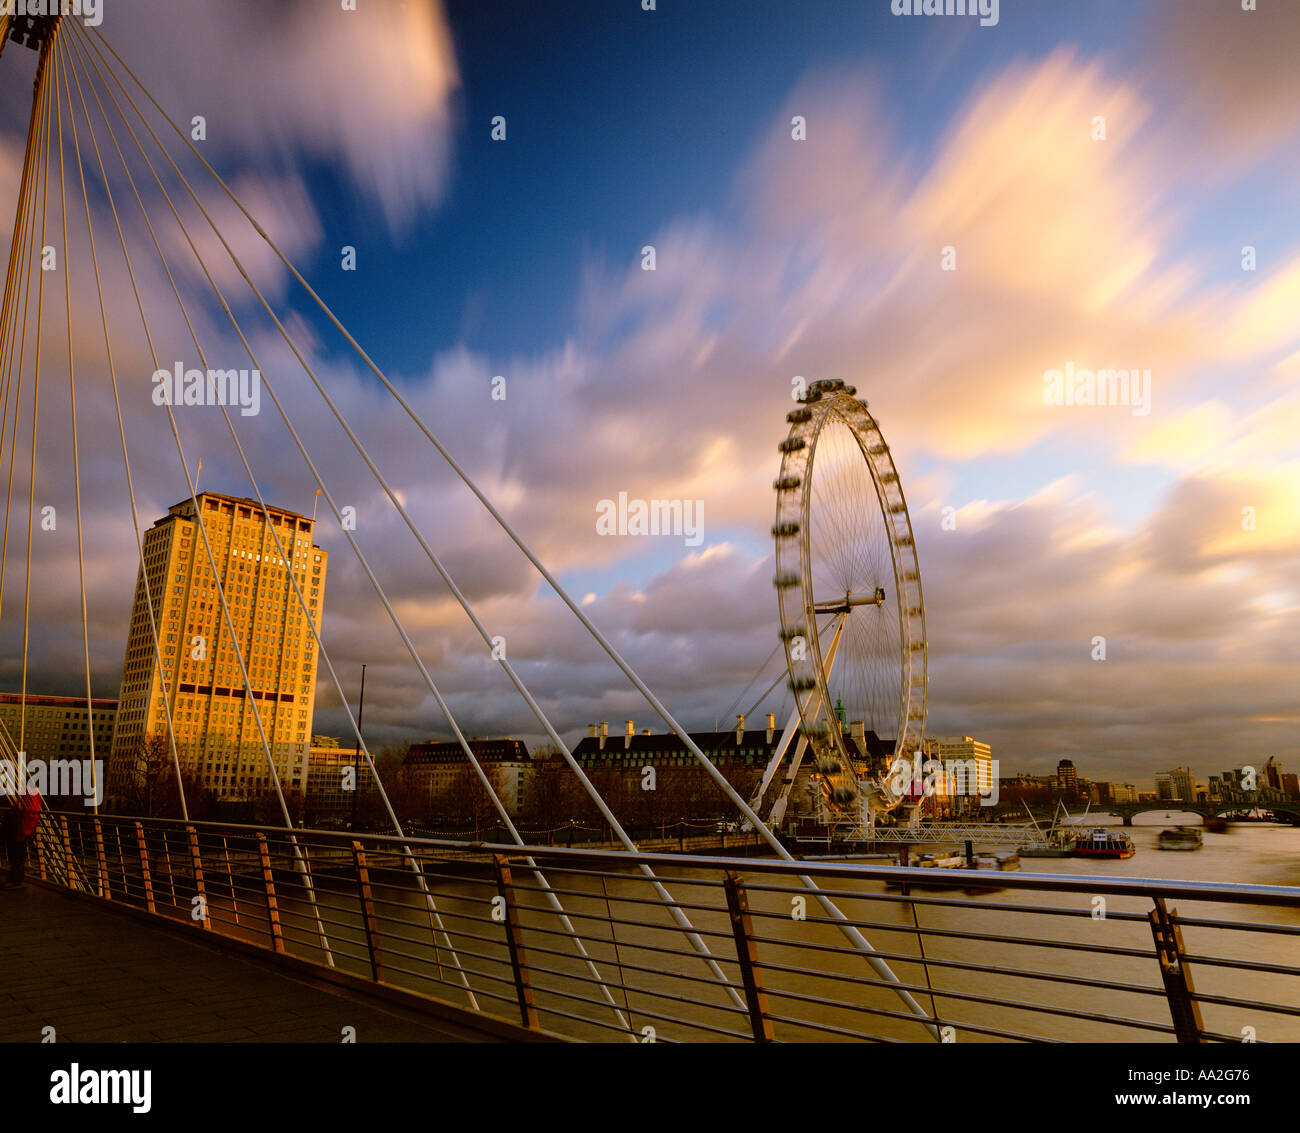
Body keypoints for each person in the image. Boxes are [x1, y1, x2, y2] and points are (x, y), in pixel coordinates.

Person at [3, 787, 41, 888]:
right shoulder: (29, 795)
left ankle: (16, 879)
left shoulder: (30, 795)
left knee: (17, 856)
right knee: (15, 855)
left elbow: (30, 813)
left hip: (20, 831)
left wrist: (23, 829)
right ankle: (15, 878)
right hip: (19, 830)